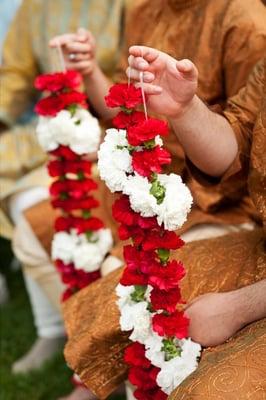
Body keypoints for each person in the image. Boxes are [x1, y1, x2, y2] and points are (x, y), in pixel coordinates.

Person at [62, 48, 266, 399]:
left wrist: (242, 306)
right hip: (258, 247)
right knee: (128, 305)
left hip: (229, 223)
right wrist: (185, 109)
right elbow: (237, 144)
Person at [53, 0, 266, 262]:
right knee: (45, 231)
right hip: (143, 180)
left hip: (212, 204)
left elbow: (239, 164)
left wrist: (184, 111)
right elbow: (126, 109)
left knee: (113, 271)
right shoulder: (145, 9)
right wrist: (90, 71)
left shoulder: (246, 21)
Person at [0, 0, 126, 377]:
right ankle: (56, 328)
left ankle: (94, 338)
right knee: (27, 201)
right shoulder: (36, 7)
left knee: (43, 209)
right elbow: (15, 76)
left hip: (114, 132)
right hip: (52, 130)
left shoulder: (128, 4)